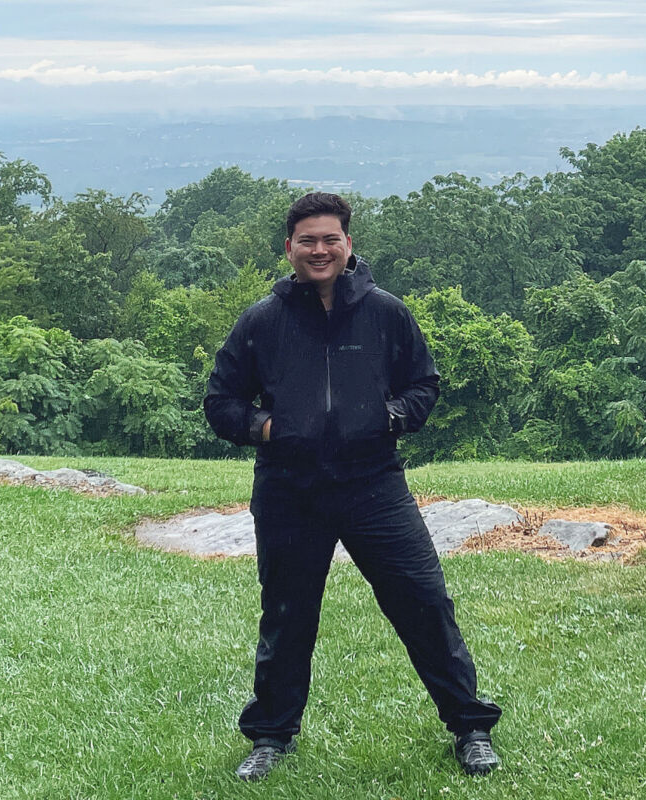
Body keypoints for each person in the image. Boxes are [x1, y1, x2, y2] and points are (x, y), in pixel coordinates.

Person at [204, 192, 502, 782]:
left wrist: (390, 418)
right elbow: (219, 401)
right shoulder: (262, 321)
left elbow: (423, 384)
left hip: (373, 484)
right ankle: (270, 737)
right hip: (290, 488)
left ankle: (470, 726)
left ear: (348, 244)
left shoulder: (386, 312)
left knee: (423, 601)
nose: (320, 250)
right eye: (307, 240)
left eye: (330, 239)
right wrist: (265, 427)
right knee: (287, 615)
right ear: (289, 248)